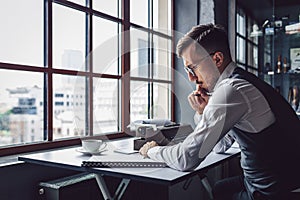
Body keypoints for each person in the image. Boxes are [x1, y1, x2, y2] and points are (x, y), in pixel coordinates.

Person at [139, 23, 300, 199]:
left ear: (216, 59)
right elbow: (220, 146)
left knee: (219, 192)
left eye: (192, 68)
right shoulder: (241, 81)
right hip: (269, 180)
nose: (191, 78)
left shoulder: (231, 90)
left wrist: (152, 150)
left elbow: (185, 159)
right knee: (219, 189)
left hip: (275, 190)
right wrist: (203, 112)